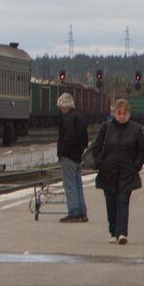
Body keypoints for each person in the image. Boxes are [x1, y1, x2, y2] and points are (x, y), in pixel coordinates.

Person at [86, 99, 144, 244]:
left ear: (129, 114)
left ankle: (122, 233)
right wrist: (99, 163)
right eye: (119, 113)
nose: (122, 116)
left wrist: (136, 165)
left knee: (123, 202)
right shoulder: (106, 128)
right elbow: (96, 147)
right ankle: (113, 231)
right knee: (111, 205)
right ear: (114, 114)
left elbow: (143, 151)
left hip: (127, 173)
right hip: (108, 173)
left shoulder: (135, 129)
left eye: (125, 113)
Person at [56, 92, 89, 223]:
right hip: (78, 157)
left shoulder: (67, 118)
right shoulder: (80, 117)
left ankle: (74, 212)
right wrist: (80, 152)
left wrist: (63, 153)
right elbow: (85, 140)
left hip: (68, 157)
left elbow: (67, 138)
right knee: (78, 185)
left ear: (63, 106)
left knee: (69, 185)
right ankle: (82, 212)